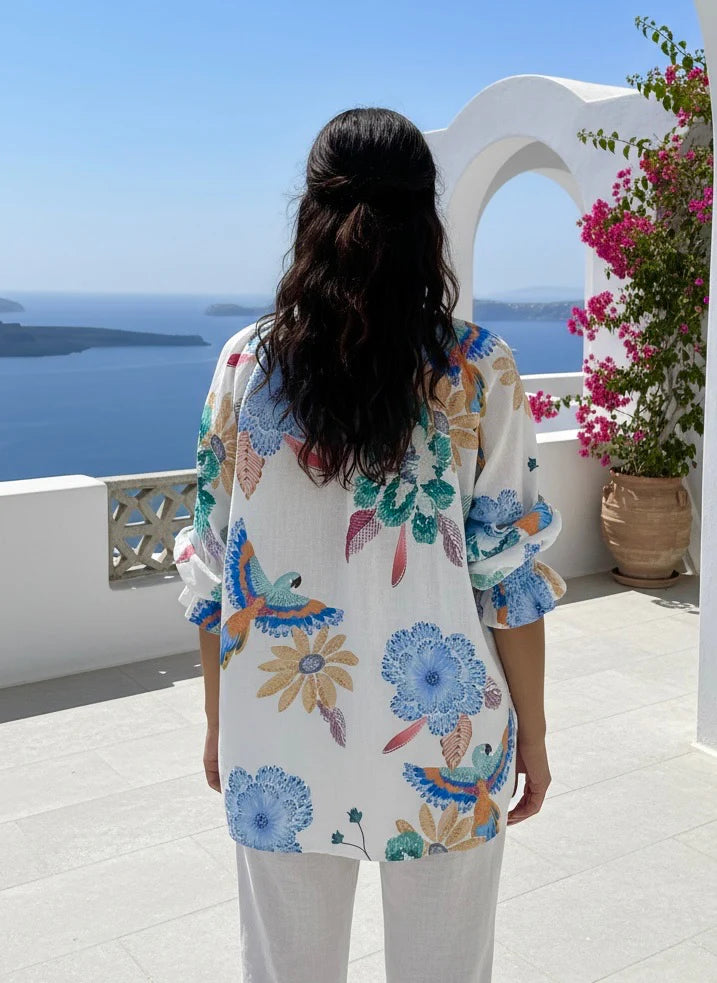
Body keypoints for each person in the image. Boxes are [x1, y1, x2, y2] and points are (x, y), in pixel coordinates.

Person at [173, 106, 567, 983]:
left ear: (310, 214)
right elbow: (506, 579)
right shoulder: (479, 368)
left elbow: (213, 569)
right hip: (447, 744)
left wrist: (219, 723)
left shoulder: (244, 367)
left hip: (275, 739)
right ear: (426, 220)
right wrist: (534, 737)